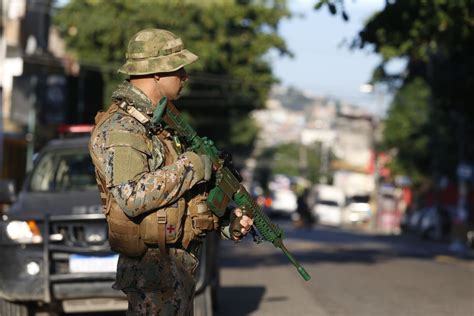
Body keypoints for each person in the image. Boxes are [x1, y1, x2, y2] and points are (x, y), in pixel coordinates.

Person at [89, 28, 254, 315]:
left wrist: (226, 222)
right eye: (179, 69)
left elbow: (178, 200)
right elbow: (132, 196)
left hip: (173, 275)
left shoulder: (158, 127)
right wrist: (193, 165)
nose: (185, 77)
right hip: (152, 278)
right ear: (156, 72)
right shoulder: (123, 128)